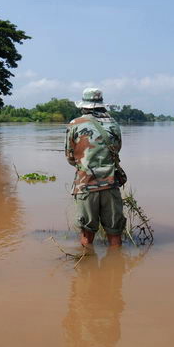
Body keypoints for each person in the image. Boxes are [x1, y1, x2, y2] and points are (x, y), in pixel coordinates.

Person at [64, 87, 126, 248]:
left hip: (86, 185)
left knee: (87, 233)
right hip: (111, 184)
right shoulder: (114, 124)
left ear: (84, 106)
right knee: (115, 233)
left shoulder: (75, 124)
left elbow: (70, 157)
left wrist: (86, 163)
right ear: (101, 104)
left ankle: (87, 268)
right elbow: (117, 150)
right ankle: (115, 268)